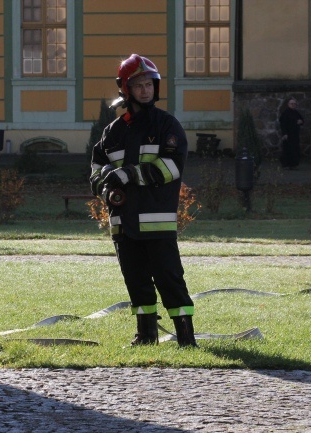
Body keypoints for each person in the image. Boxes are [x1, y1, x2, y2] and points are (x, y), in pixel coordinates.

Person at [89, 54, 197, 348]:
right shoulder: (113, 132)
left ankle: (186, 338)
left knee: (169, 278)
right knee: (135, 281)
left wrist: (129, 175)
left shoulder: (166, 126)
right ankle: (145, 335)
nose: (146, 90)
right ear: (125, 88)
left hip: (156, 220)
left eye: (150, 84)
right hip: (123, 222)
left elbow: (172, 167)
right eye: (139, 85)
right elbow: (96, 171)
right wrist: (106, 187)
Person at [279, 97, 304, 169]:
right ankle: (286, 164)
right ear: (288, 104)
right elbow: (283, 124)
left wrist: (301, 121)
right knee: (287, 149)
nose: (293, 105)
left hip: (295, 134)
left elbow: (302, 120)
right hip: (288, 134)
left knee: (295, 149)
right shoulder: (285, 113)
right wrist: (285, 133)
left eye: (294, 104)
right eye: (291, 104)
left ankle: (294, 164)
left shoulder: (296, 112)